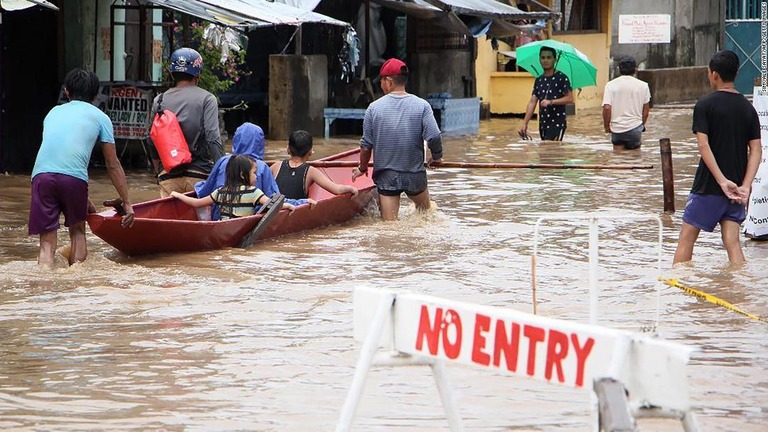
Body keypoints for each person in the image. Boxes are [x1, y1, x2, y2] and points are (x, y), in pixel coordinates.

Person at [28, 68, 135, 268]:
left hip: (41, 176)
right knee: (77, 232)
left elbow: (58, 159)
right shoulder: (101, 117)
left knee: (46, 244)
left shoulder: (53, 112)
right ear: (95, 95)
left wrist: (83, 198)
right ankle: (76, 284)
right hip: (73, 180)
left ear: (67, 92)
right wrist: (127, 203)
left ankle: (43, 285)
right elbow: (112, 165)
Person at [673, 50, 761, 265]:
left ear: (713, 74)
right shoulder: (748, 108)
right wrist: (746, 186)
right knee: (732, 242)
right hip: (737, 190)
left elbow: (703, 145)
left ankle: (676, 290)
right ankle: (739, 289)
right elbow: (756, 150)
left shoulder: (705, 105)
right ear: (736, 73)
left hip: (709, 187)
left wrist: (721, 181)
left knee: (686, 239)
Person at [351, 58, 443, 221]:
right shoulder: (422, 106)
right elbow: (434, 136)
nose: (380, 85)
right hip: (414, 174)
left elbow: (366, 146)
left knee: (390, 226)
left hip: (387, 176)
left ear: (389, 81)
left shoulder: (374, 108)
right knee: (426, 215)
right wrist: (436, 157)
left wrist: (363, 168)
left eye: (381, 81)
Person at [148, 47, 224, 197]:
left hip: (168, 176)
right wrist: (222, 170)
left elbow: (150, 138)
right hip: (199, 175)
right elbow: (213, 137)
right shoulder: (207, 99)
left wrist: (158, 170)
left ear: (172, 73)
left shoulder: (160, 100)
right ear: (198, 73)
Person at [194, 122, 279, 220]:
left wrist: (198, 185)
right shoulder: (262, 167)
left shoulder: (223, 161)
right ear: (260, 143)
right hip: (248, 221)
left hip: (219, 218)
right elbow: (274, 198)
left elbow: (205, 190)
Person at [172, 154, 293, 218]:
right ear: (242, 174)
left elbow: (196, 203)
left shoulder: (221, 191)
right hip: (241, 229)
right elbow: (272, 204)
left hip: (222, 229)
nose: (256, 176)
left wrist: (177, 195)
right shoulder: (254, 192)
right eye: (254, 173)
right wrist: (288, 205)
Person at [271, 130, 358, 205]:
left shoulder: (276, 165)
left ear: (288, 149)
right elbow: (337, 189)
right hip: (294, 210)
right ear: (310, 152)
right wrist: (352, 189)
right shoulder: (311, 171)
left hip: (275, 208)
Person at [519, 46, 574, 141]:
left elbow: (569, 98)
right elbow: (532, 102)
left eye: (549, 58)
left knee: (553, 151)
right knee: (544, 153)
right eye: (543, 58)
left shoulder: (561, 78)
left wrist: (551, 102)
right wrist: (525, 123)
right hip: (543, 124)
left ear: (554, 60)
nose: (545, 60)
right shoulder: (539, 80)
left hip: (557, 124)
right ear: (539, 60)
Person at [602, 56, 651, 150]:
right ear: (635, 70)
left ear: (618, 69)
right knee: (635, 159)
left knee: (618, 160)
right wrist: (641, 125)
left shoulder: (610, 85)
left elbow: (607, 108)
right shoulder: (643, 86)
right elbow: (646, 109)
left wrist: (607, 127)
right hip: (635, 128)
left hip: (617, 129)